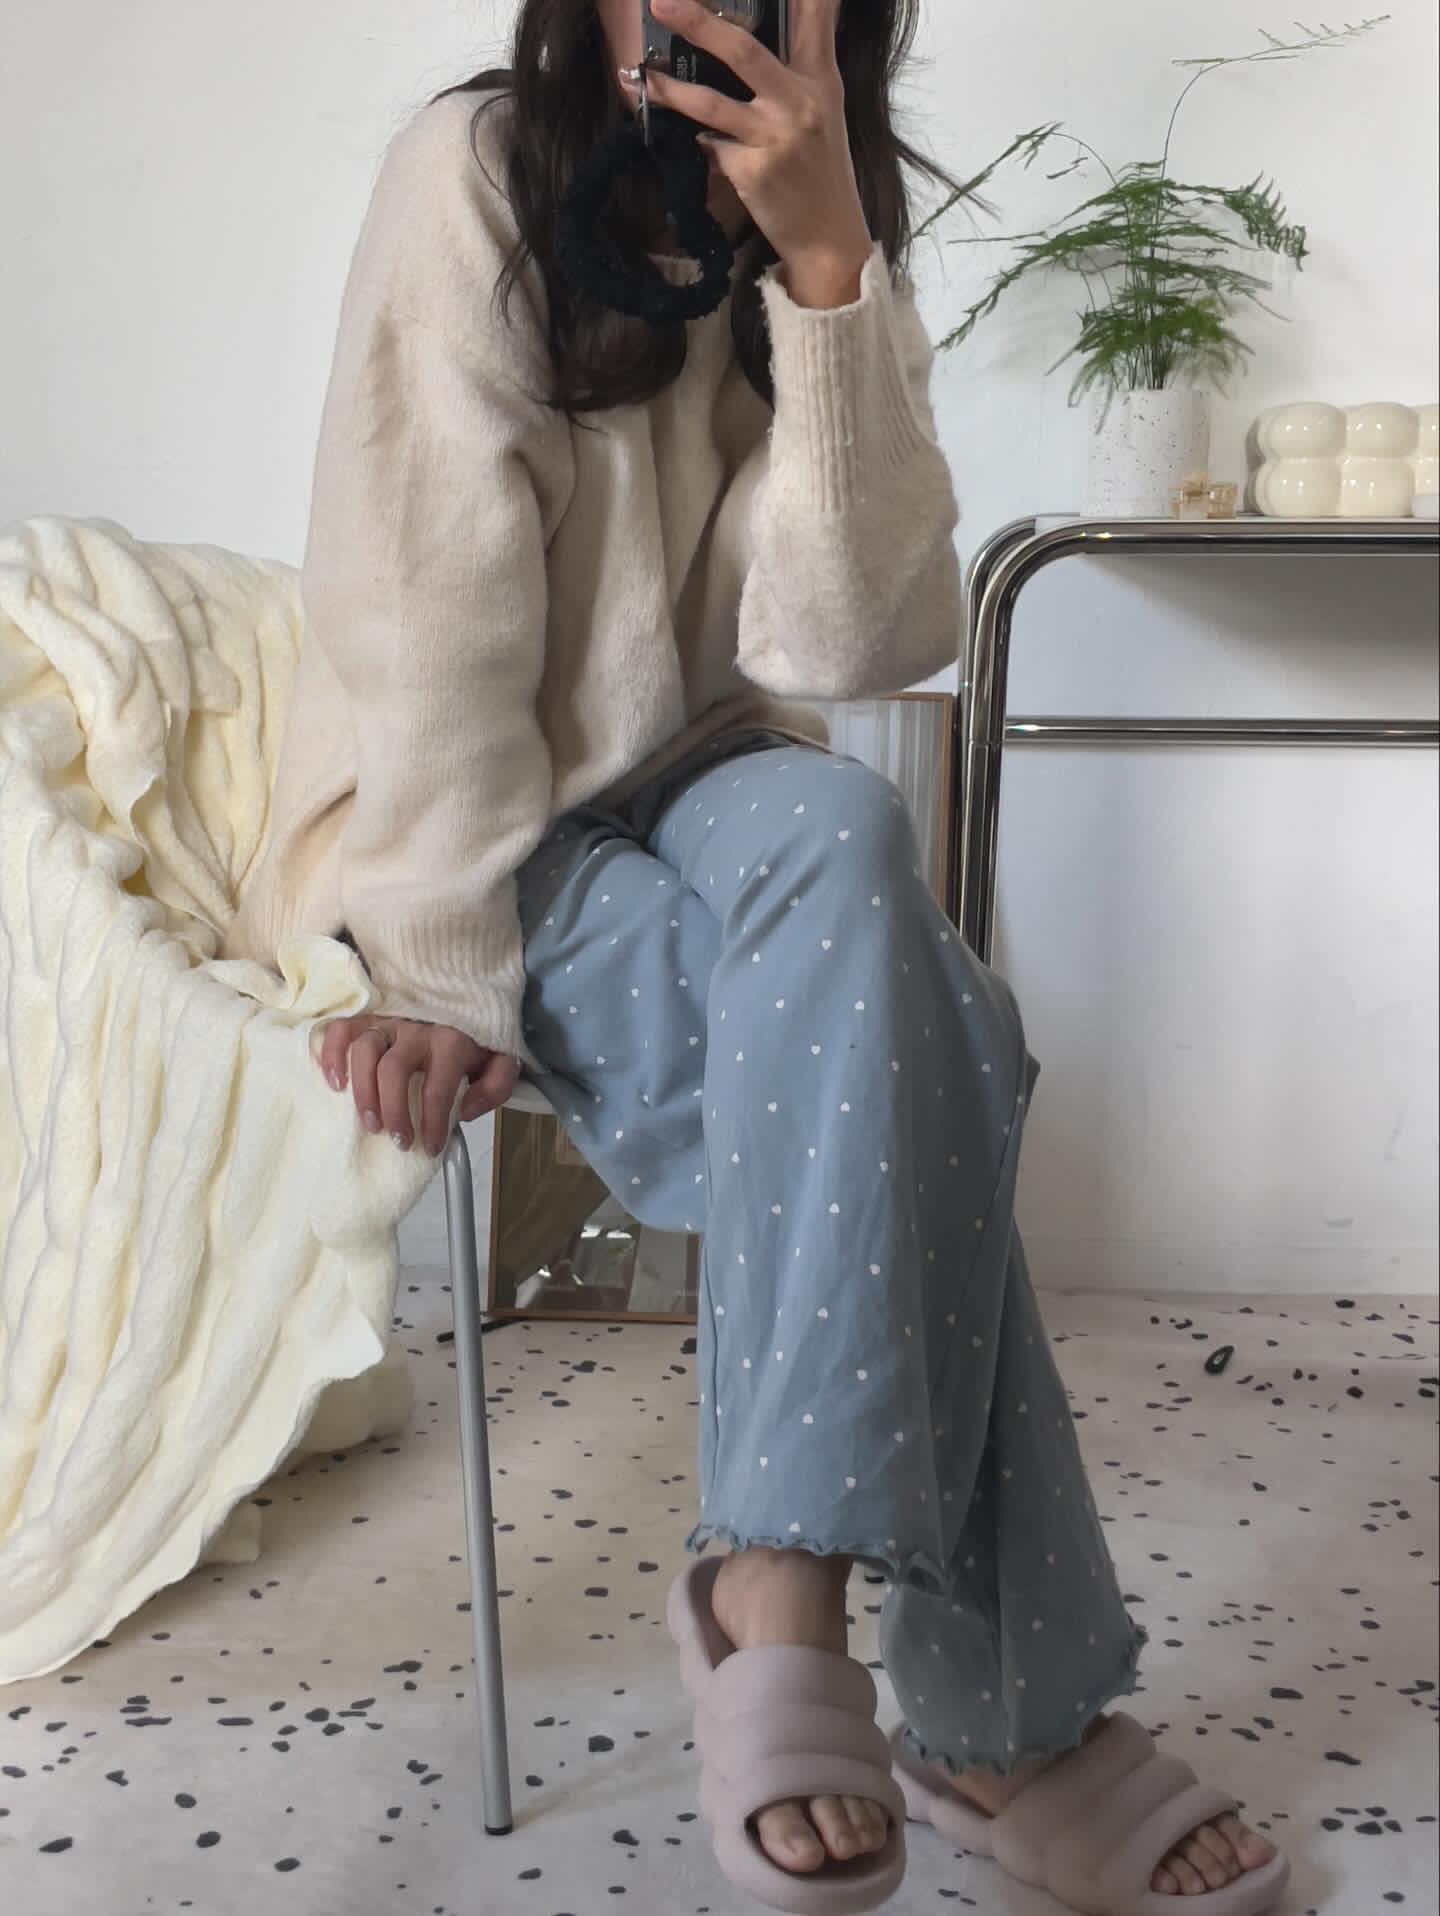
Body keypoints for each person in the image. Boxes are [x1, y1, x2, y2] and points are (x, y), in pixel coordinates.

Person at [222, 2, 1287, 1909]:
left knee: (850, 830)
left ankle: (768, 1577)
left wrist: (829, 270)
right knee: (926, 1041)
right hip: (458, 818)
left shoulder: (814, 214)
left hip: (702, 768)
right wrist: (442, 964)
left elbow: (859, 643)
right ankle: (999, 1714)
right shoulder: (472, 172)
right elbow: (426, 597)